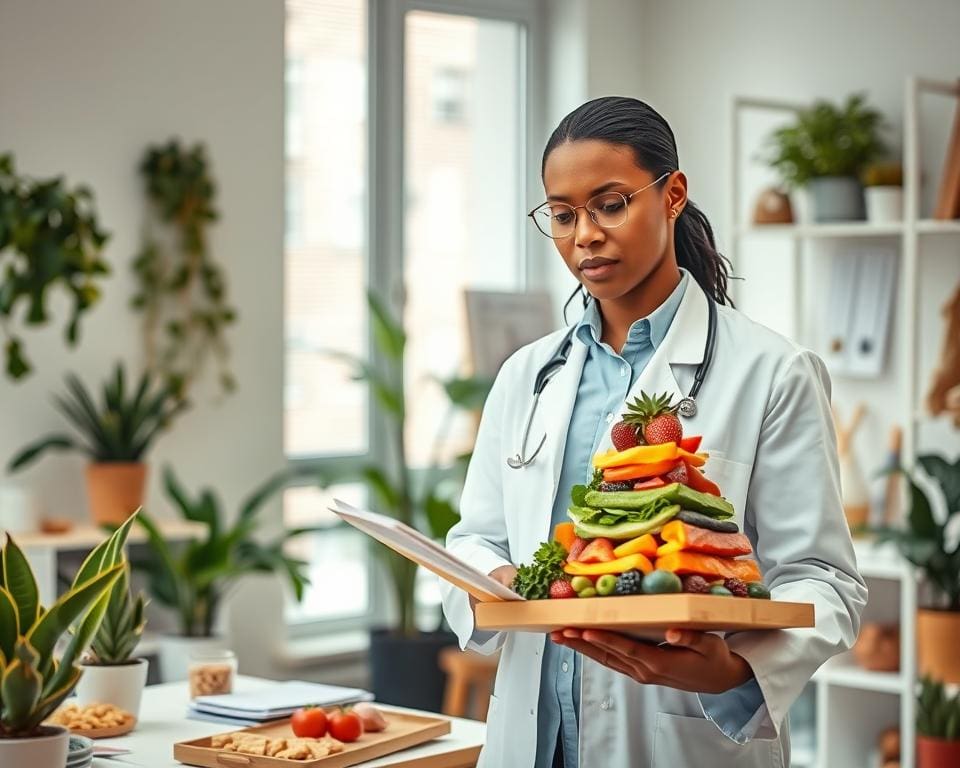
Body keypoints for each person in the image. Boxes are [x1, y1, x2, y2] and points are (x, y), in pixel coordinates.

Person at [439, 96, 866, 768]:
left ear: (672, 196)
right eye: (563, 213)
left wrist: (729, 675)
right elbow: (475, 534)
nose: (585, 234)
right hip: (530, 742)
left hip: (684, 740)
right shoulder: (527, 374)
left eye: (610, 204)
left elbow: (823, 580)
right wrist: (493, 576)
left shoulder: (772, 371)